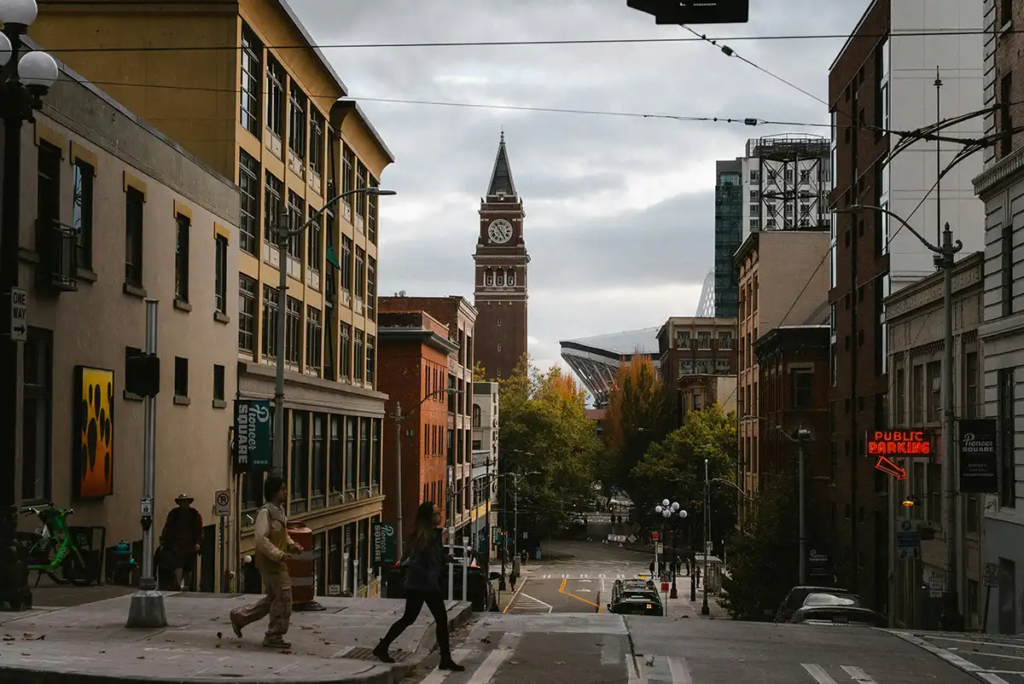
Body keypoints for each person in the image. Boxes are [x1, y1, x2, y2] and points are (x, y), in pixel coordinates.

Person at [373, 502, 464, 672]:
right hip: (424, 585)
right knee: (440, 619)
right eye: (437, 512)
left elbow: (431, 559)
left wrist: (445, 559)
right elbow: (416, 561)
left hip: (422, 584)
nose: (440, 515)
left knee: (410, 618)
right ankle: (445, 659)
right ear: (429, 517)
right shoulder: (424, 537)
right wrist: (430, 576)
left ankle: (383, 647)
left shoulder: (431, 535)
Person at [229, 476, 303, 649]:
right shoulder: (266, 512)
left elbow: (283, 536)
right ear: (273, 492)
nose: (286, 492)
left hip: (278, 561)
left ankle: (240, 617)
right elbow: (261, 539)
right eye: (282, 489)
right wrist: (278, 554)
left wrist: (292, 546)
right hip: (271, 563)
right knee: (284, 598)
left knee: (273, 598)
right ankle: (274, 635)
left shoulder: (280, 511)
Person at [159, 494, 203, 591]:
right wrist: (163, 541)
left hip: (190, 545)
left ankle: (185, 585)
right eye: (182, 502)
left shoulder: (194, 514)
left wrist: (197, 543)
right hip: (176, 544)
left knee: (189, 566)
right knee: (176, 564)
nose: (184, 504)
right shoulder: (174, 514)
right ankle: (178, 584)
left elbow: (198, 530)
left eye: (185, 502)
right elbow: (168, 527)